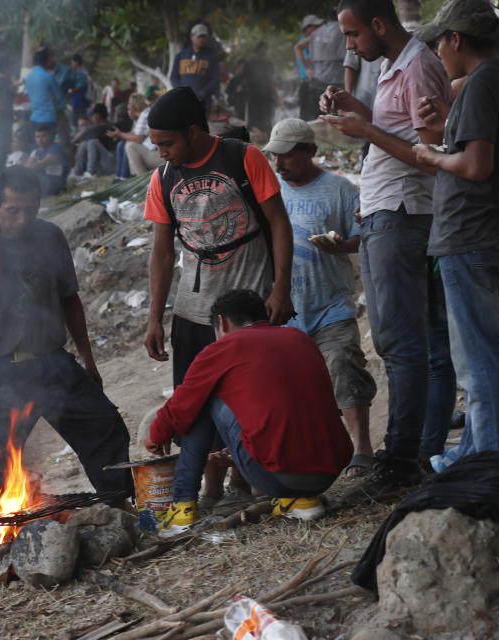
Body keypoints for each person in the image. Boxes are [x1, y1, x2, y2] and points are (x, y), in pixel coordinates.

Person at [319, 0, 452, 499]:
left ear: (379, 25)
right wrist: (361, 115)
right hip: (382, 212)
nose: (350, 47)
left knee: (403, 342)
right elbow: (400, 133)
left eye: (353, 36)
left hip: (403, 213)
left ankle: (400, 458)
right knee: (397, 341)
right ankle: (408, 452)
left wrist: (367, 131)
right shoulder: (396, 67)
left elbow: (433, 157)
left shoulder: (419, 65)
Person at [0, 165, 133, 499]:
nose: (22, 220)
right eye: (13, 211)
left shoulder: (51, 236)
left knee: (105, 427)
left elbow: (71, 301)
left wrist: (88, 361)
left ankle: (120, 506)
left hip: (50, 363)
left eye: (31, 211)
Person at [144, 87, 294, 510]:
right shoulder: (164, 178)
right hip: (194, 309)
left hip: (249, 306)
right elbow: (162, 251)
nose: (161, 153)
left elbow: (279, 224)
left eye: (167, 143)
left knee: (255, 397)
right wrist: (155, 317)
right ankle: (212, 489)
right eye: (155, 145)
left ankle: (257, 481)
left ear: (193, 132)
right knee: (195, 400)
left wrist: (280, 287)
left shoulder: (244, 158)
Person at [411, 0, 499, 467]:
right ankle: (477, 452)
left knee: (476, 363)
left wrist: (431, 158)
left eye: (439, 41)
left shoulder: (482, 83)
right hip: (496, 234)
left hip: (471, 235)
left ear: (456, 39)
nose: (438, 51)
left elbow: (476, 165)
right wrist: (447, 125)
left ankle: (485, 464)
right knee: (482, 355)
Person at [146, 289, 353, 535]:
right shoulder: (299, 337)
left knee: (200, 399)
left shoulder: (224, 348)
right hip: (329, 471)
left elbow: (180, 407)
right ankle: (301, 500)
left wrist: (156, 436)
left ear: (221, 322)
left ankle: (182, 508)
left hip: (278, 475)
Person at [264, 118, 376, 476]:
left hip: (331, 304)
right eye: (275, 157)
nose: (279, 164)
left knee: (344, 365)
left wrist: (343, 245)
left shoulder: (339, 189)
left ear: (309, 151)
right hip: (285, 310)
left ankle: (362, 451)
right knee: (292, 388)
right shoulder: (270, 191)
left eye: (286, 156)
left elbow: (363, 233)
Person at [295, 10, 347, 120]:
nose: (318, 27)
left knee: (316, 119)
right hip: (336, 82)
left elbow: (300, 49)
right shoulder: (344, 30)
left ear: (328, 18)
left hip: (316, 82)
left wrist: (310, 68)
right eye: (316, 25)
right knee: (336, 120)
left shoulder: (316, 34)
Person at [170, 23, 222, 114]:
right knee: (183, 126)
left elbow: (215, 79)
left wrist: (203, 93)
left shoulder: (211, 57)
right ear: (191, 36)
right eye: (199, 37)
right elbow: (173, 77)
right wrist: (181, 91)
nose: (201, 39)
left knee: (200, 127)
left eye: (204, 37)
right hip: (183, 101)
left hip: (202, 103)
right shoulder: (181, 55)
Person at [107, 93, 159, 176]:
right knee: (123, 143)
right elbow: (133, 134)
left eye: (129, 108)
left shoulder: (145, 115)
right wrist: (119, 135)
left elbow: (139, 138)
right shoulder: (143, 115)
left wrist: (120, 135)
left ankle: (139, 179)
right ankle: (120, 175)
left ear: (132, 107)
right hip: (154, 151)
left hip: (157, 154)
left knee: (130, 145)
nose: (128, 111)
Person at [25, 49, 65, 145]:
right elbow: (59, 97)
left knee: (37, 148)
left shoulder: (28, 77)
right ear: (46, 61)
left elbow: (28, 94)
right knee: (49, 146)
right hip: (48, 118)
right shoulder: (48, 77)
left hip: (34, 118)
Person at [71, 103, 117, 178]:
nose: (92, 118)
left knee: (92, 142)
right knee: (85, 144)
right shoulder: (102, 126)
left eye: (93, 115)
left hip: (111, 165)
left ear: (98, 115)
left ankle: (90, 172)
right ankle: (77, 172)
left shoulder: (102, 127)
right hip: (105, 165)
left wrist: (71, 141)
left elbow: (79, 137)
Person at [26, 123, 67, 195]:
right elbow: (27, 167)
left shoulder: (56, 148)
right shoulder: (36, 151)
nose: (40, 140)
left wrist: (31, 167)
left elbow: (43, 164)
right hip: (43, 181)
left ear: (51, 136)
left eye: (43, 136)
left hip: (56, 182)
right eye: (37, 137)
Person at [0, 57, 17, 168]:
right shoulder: (1, 84)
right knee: (3, 150)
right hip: (3, 120)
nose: (13, 69)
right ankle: (0, 176)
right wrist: (14, 113)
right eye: (11, 66)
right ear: (6, 68)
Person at [296, 15, 324, 81]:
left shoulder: (307, 40)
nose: (318, 28)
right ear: (308, 27)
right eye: (316, 26)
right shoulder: (304, 42)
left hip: (312, 77)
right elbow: (311, 59)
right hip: (310, 77)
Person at [69, 54, 90, 127]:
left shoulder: (81, 73)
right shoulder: (83, 72)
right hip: (79, 102)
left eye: (72, 62)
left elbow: (77, 87)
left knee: (78, 124)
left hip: (79, 102)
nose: (71, 64)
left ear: (76, 62)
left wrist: (69, 92)